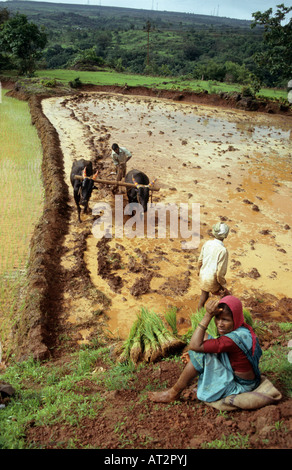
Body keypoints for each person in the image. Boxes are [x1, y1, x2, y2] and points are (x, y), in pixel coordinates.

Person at [148, 295, 262, 404]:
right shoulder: (242, 329)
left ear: (235, 319)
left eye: (225, 320)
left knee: (200, 353)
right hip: (246, 376)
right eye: (217, 318)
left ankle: (173, 393)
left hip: (240, 385)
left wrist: (208, 315)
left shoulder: (230, 341)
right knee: (203, 337)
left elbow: (194, 345)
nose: (220, 324)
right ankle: (195, 365)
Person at [197, 222, 230, 310]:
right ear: (226, 236)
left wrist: (198, 271)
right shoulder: (223, 250)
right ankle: (221, 316)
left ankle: (198, 314)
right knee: (226, 297)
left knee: (203, 296)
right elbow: (220, 273)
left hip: (203, 275)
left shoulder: (207, 243)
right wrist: (223, 285)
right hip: (213, 279)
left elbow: (200, 260)